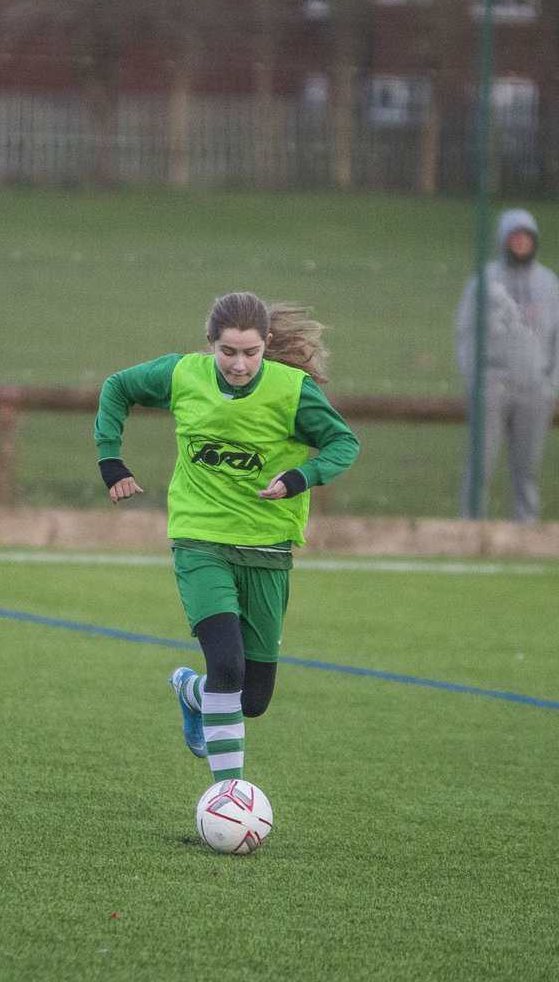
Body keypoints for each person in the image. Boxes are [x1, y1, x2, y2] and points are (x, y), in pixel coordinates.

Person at [94, 292, 360, 786]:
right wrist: (111, 459)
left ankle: (191, 692)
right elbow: (118, 386)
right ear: (210, 343)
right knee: (227, 667)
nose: (239, 364)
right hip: (201, 541)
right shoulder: (183, 374)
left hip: (267, 550)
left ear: (267, 344)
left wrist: (301, 477)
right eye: (228, 352)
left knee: (252, 700)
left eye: (251, 352)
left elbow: (344, 443)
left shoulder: (292, 391)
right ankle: (226, 796)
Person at [456, 208, 559, 523]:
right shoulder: (484, 281)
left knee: (527, 468)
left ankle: (525, 529)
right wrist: (474, 378)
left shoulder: (549, 283)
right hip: (491, 386)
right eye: (514, 236)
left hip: (535, 389)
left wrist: (551, 383)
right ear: (503, 239)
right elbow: (465, 332)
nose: (520, 242)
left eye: (526, 236)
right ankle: (471, 527)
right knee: (481, 464)